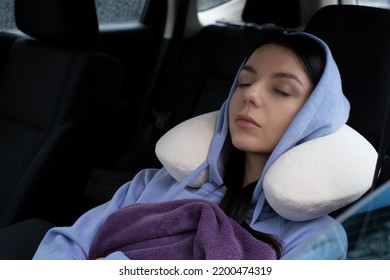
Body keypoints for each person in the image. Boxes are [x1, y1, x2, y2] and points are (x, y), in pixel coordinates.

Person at [32, 31, 350, 260]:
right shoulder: (152, 183)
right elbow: (67, 244)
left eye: (281, 89)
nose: (250, 95)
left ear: (314, 116)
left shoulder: (318, 239)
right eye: (244, 82)